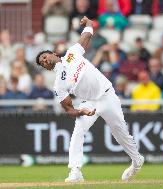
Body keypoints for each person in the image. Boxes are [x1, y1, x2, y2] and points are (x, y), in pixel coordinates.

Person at [35, 16, 144, 182]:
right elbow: (68, 109)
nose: (44, 60)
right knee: (78, 130)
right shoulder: (58, 84)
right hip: (90, 104)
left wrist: (88, 22)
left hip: (107, 95)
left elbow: (88, 33)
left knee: (120, 133)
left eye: (44, 57)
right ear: (46, 68)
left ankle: (137, 160)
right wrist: (80, 111)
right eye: (42, 63)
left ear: (54, 54)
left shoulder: (72, 53)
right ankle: (75, 171)